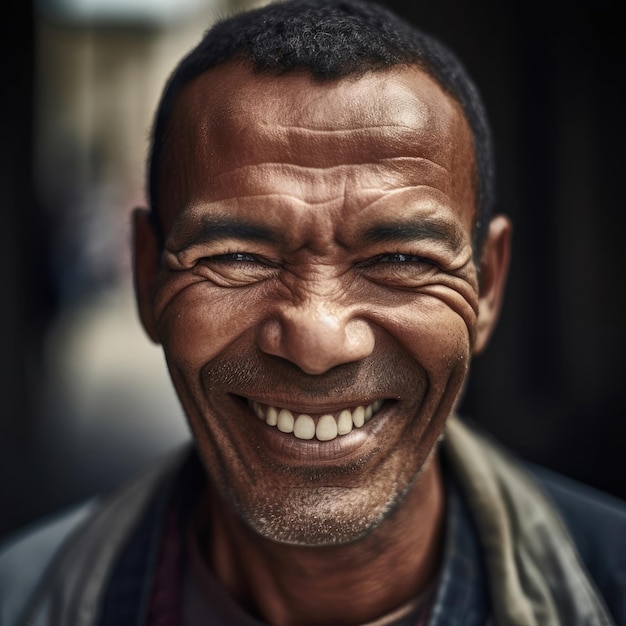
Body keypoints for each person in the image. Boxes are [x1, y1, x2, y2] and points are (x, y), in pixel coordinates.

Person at [1, 0, 625, 624]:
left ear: (487, 285)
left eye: (402, 259)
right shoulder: (24, 598)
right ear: (146, 277)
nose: (318, 340)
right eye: (239, 256)